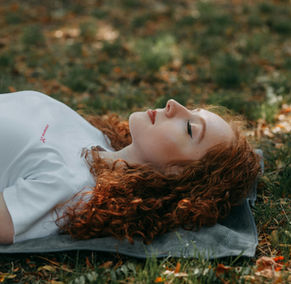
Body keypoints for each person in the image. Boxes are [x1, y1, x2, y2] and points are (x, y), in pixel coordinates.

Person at [0, 90, 261, 245]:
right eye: (191, 109)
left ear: (178, 174)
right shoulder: (95, 137)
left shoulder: (71, 186)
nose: (174, 104)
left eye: (190, 128)